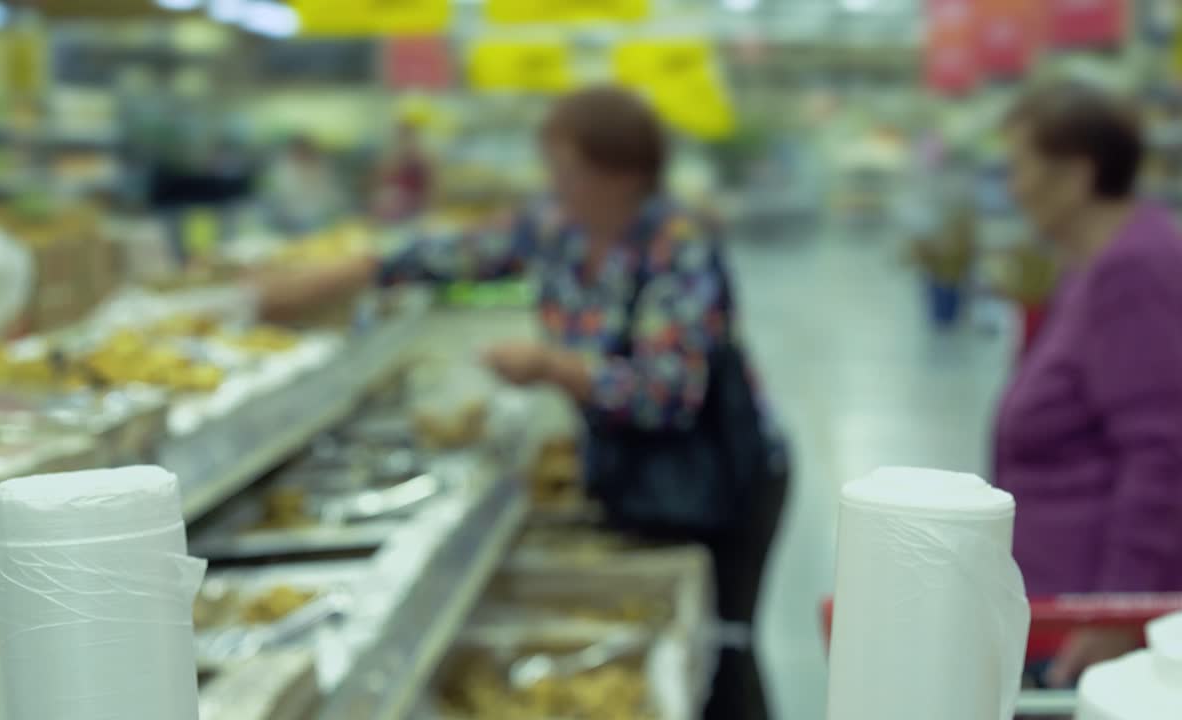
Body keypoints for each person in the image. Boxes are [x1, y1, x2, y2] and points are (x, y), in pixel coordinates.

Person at [256, 86, 787, 720]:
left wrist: (550, 366)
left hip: (720, 473)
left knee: (722, 642)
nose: (552, 181)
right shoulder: (560, 228)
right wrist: (348, 272)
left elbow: (666, 393)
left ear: (619, 171)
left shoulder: (678, 247)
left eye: (564, 167)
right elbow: (454, 255)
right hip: (635, 471)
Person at [995, 82, 1182, 687]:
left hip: (1090, 617)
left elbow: (1161, 455)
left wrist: (1117, 608)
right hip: (1063, 590)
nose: (1013, 187)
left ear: (1075, 174)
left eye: (1020, 165)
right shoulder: (1097, 261)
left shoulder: (1134, 274)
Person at [261, 134, 348, 234]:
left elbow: (337, 197)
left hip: (327, 222)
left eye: (308, 151)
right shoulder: (281, 172)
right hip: (292, 224)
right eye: (300, 151)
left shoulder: (324, 169)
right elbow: (276, 203)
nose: (305, 154)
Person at [372, 122, 433, 223]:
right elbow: (382, 182)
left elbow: (430, 187)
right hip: (394, 204)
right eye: (401, 138)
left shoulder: (422, 159)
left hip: (414, 205)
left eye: (408, 137)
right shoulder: (391, 158)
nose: (404, 141)